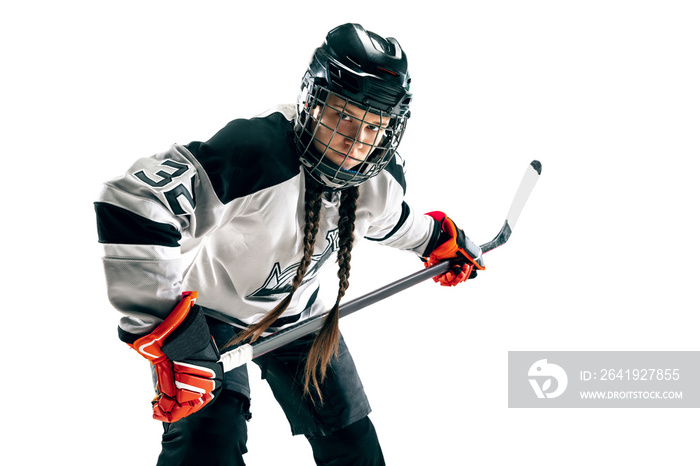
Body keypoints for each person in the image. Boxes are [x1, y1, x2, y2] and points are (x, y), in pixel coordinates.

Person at [95, 23, 484, 466]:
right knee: (206, 448)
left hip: (305, 321)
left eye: (374, 126)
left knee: (354, 448)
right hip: (214, 322)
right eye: (343, 115)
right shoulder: (255, 153)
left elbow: (390, 220)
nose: (355, 142)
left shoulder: (379, 179)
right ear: (312, 101)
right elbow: (133, 203)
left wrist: (438, 241)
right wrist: (175, 334)